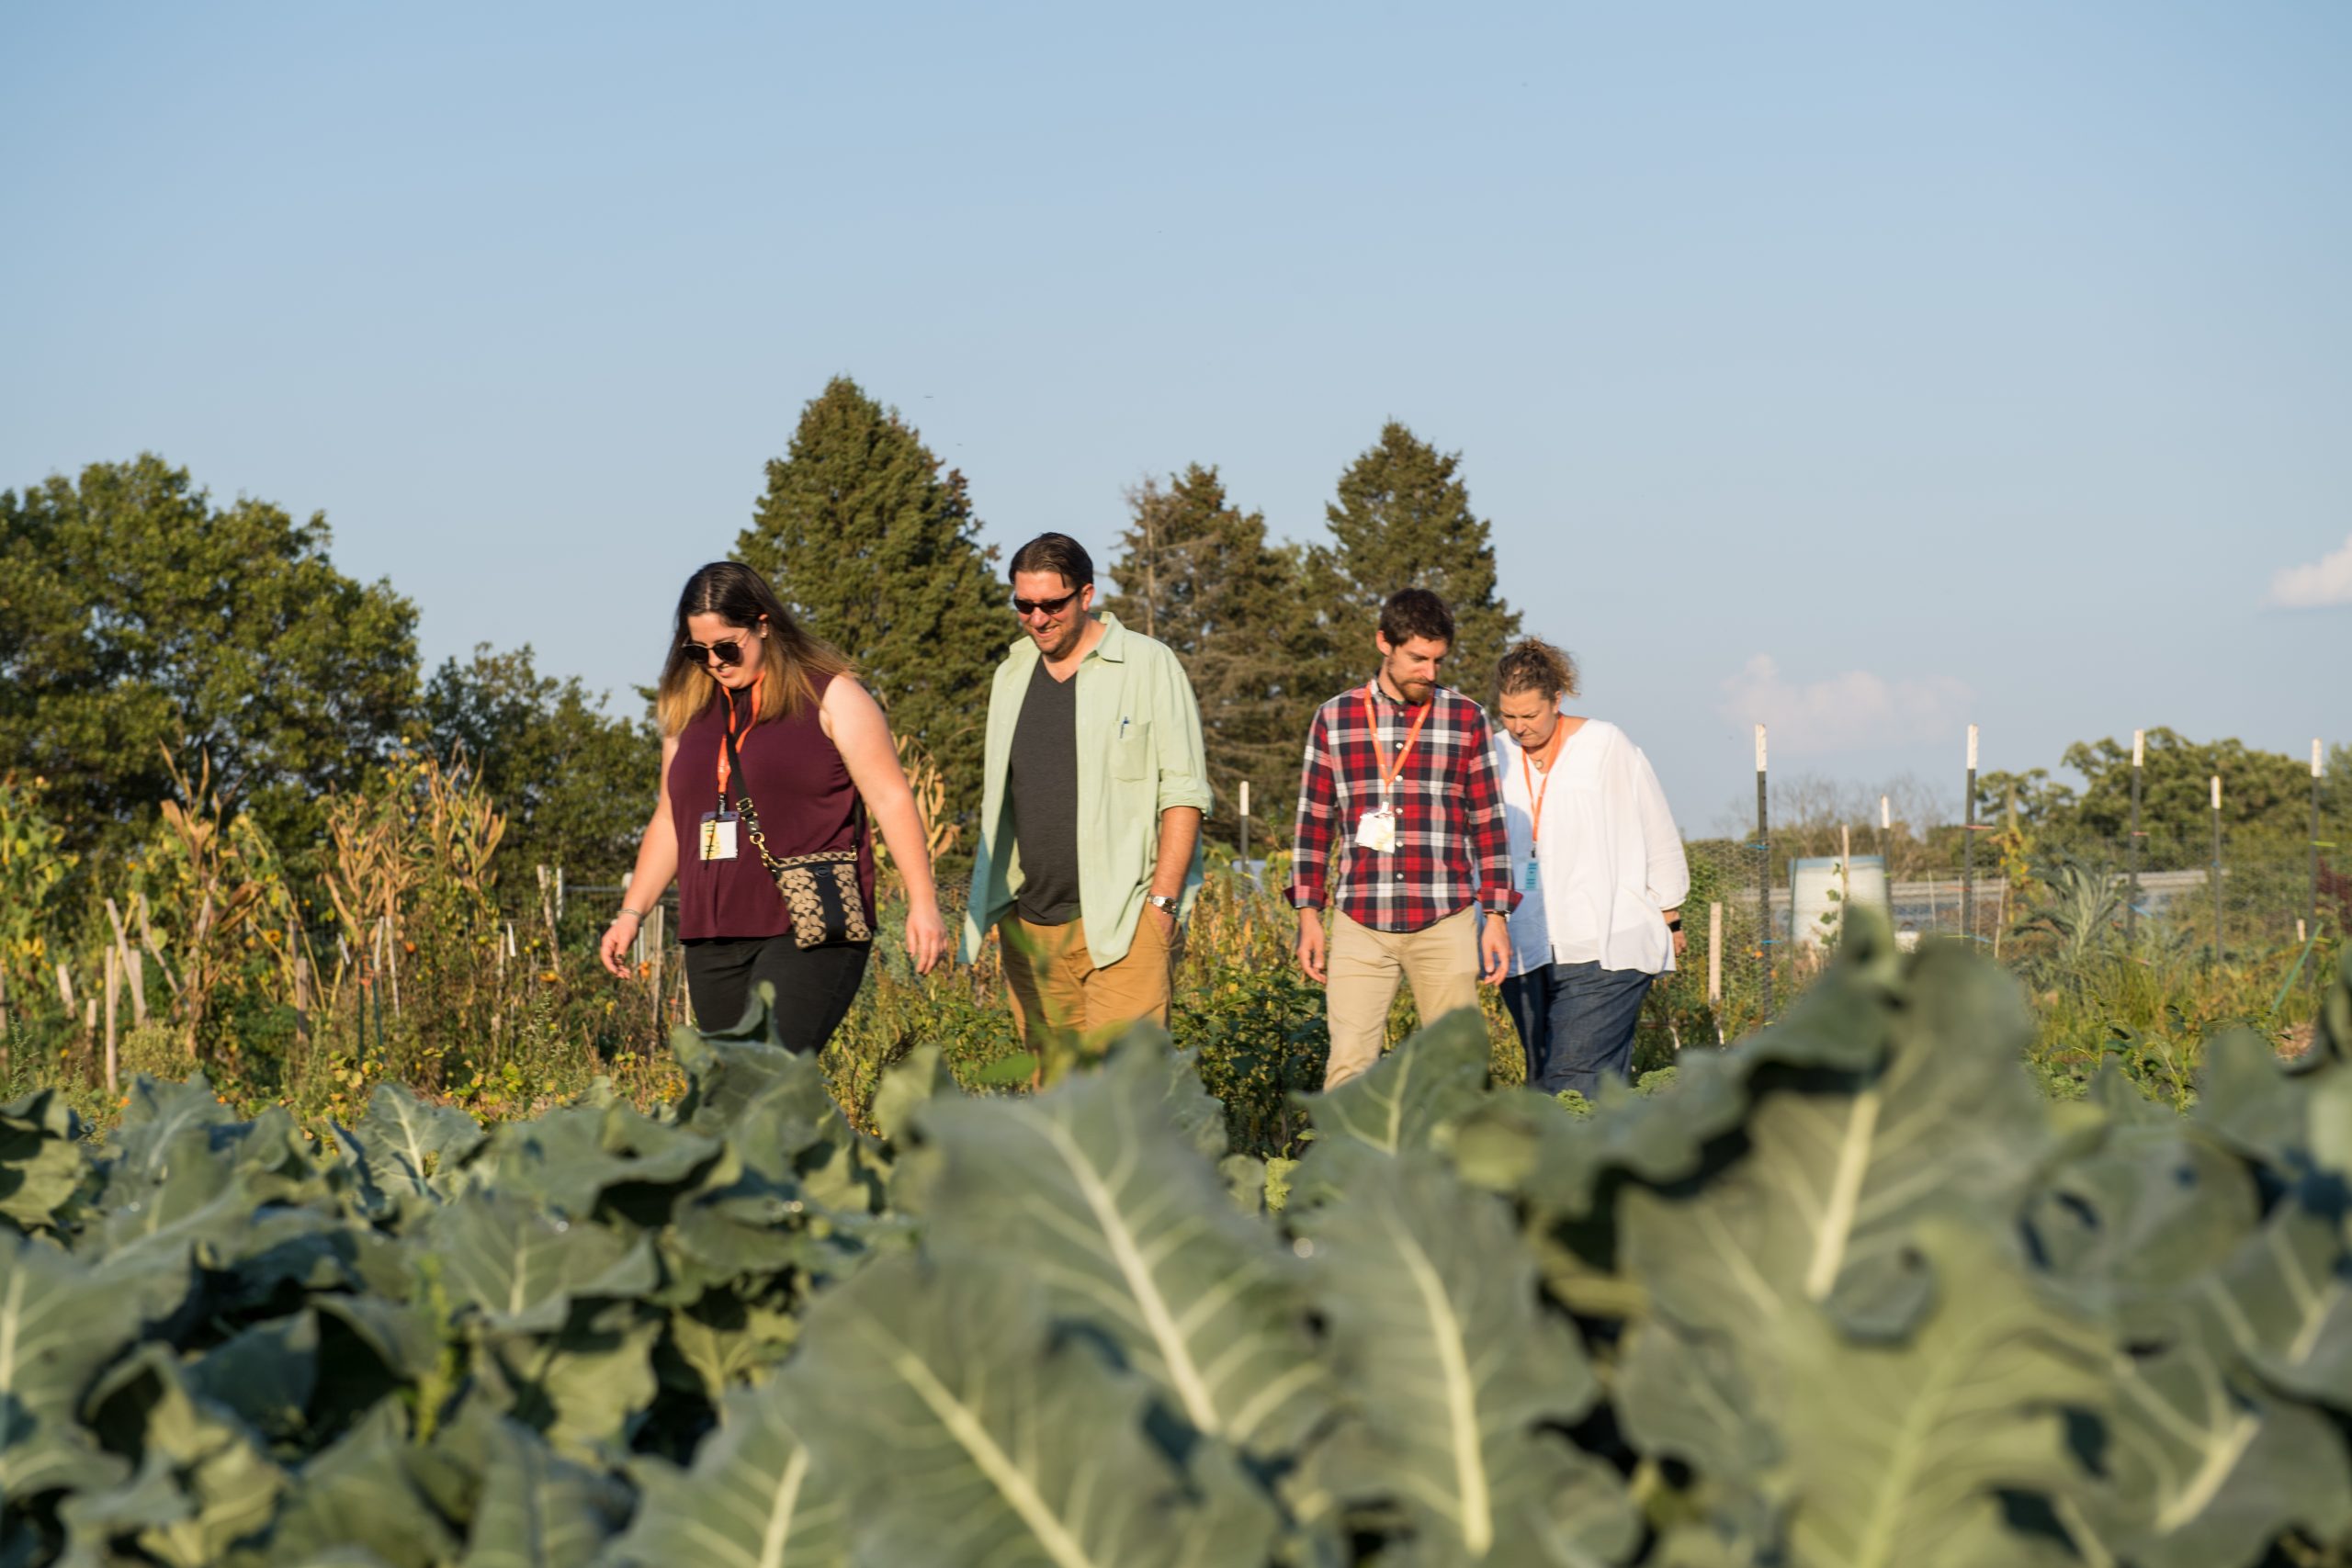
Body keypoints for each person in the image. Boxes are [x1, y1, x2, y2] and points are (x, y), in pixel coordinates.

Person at [599, 561, 948, 1046]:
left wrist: (923, 904)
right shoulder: (686, 713)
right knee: (737, 1092)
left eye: (726, 647)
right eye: (697, 651)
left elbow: (891, 798)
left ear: (763, 624)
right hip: (712, 934)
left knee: (771, 1072)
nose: (715, 662)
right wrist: (631, 913)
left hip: (809, 923)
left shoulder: (831, 696)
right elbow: (669, 819)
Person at [961, 533, 1211, 1067]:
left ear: (1086, 595)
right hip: (1031, 926)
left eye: (1051, 604)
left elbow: (1185, 792)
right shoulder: (1010, 675)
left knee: (1123, 1100)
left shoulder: (1148, 664)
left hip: (1126, 922)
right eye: (1023, 606)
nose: (1037, 618)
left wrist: (1162, 906)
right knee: (1059, 1104)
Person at [1291, 588, 1517, 1089]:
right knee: (1349, 1067)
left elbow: (1489, 824)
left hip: (1445, 918)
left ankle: (1458, 1168)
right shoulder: (1334, 717)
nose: (1429, 672)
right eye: (1418, 658)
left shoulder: (1467, 719)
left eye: (1438, 660)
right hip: (1360, 922)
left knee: (1457, 1071)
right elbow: (1312, 824)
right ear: (1383, 644)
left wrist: (1496, 917)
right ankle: (1346, 1169)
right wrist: (1308, 914)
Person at [1490, 637, 1689, 1099]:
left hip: (1605, 941)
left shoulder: (1605, 744)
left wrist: (1669, 910)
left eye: (1530, 716)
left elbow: (1653, 822)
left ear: (1557, 700)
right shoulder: (1493, 755)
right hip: (1525, 947)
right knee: (1546, 1085)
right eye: (1508, 716)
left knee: (1573, 1083)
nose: (1519, 728)